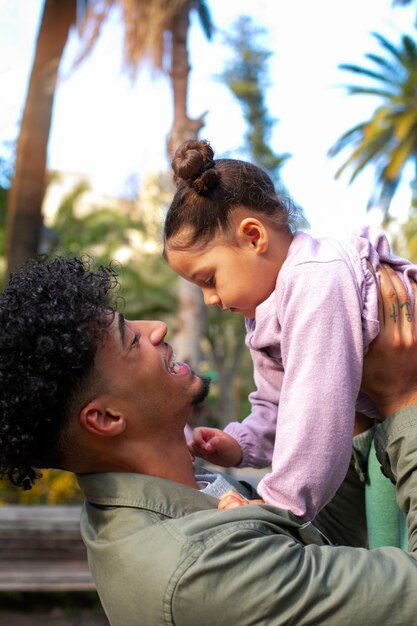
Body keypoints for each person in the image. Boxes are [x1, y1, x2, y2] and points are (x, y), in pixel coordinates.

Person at [1, 256, 417, 625]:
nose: (157, 329)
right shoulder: (195, 569)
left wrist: (344, 383)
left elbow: (321, 535)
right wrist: (404, 400)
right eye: (131, 340)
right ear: (107, 418)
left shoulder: (194, 491)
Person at [163, 139, 417, 521]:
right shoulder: (266, 309)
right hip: (392, 423)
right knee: (388, 552)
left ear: (253, 237)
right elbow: (280, 401)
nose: (210, 299)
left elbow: (317, 404)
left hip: (402, 413)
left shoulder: (314, 279)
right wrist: (241, 442)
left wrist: (280, 503)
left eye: (210, 279)